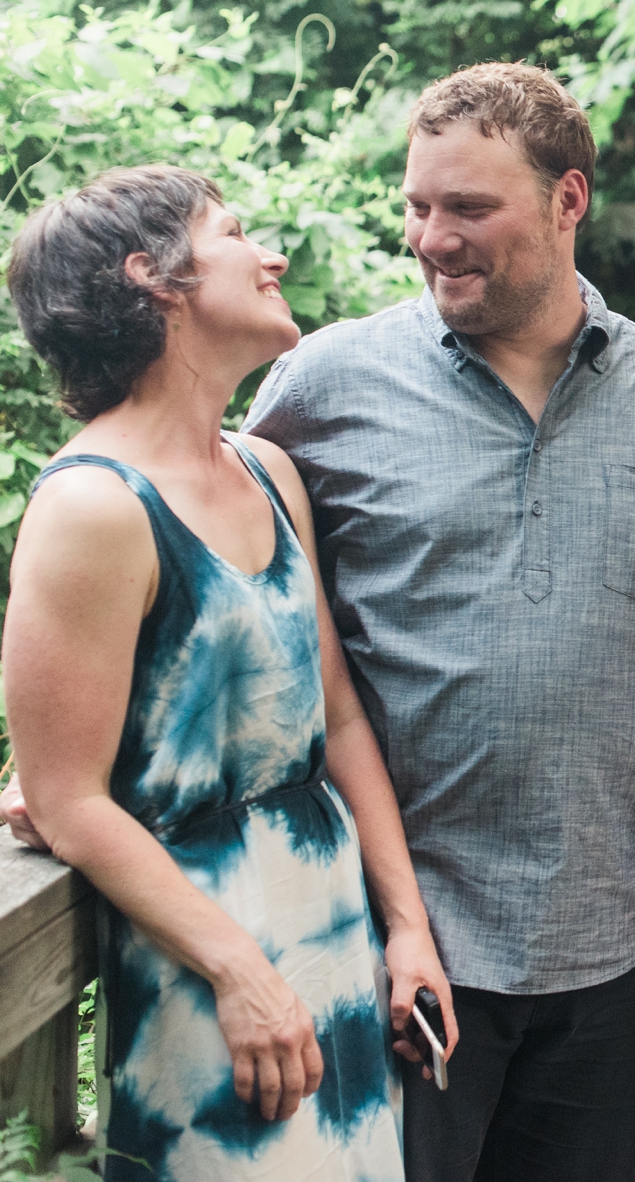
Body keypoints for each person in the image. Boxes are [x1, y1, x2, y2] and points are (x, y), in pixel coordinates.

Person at [241, 63, 635, 1180]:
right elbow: (205, 573)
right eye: (419, 206)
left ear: (568, 200)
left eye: (469, 207)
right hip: (394, 941)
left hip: (610, 945)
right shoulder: (321, 383)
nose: (434, 238)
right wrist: (102, 758)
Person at [1, 165, 455, 1180]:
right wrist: (241, 971)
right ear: (151, 277)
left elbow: (336, 717)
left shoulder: (266, 469)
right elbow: (69, 800)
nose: (272, 255)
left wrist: (408, 929)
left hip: (334, 936)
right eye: (236, 232)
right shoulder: (90, 507)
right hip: (208, 972)